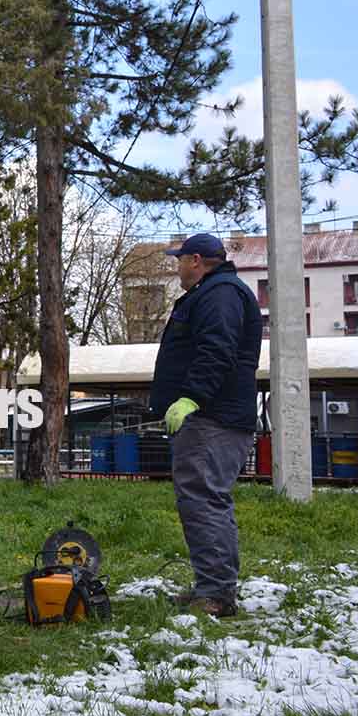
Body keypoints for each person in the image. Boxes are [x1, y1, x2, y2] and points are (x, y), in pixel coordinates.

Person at [149, 233, 263, 619]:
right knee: (206, 497)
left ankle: (215, 594)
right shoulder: (216, 292)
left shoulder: (220, 294)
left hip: (213, 416)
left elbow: (217, 348)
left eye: (180, 260)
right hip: (214, 415)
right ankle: (213, 586)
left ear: (196, 260)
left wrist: (192, 397)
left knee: (203, 498)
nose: (177, 267)